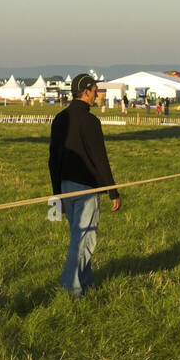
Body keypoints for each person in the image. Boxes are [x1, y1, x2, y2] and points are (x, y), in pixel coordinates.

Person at [49, 73, 120, 296]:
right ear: (86, 91)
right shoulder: (90, 121)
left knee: (77, 237)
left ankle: (86, 282)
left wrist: (57, 193)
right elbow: (100, 159)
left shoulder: (61, 118)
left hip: (65, 185)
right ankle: (70, 288)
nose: (97, 95)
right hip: (87, 188)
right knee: (84, 240)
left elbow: (53, 158)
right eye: (96, 90)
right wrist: (113, 191)